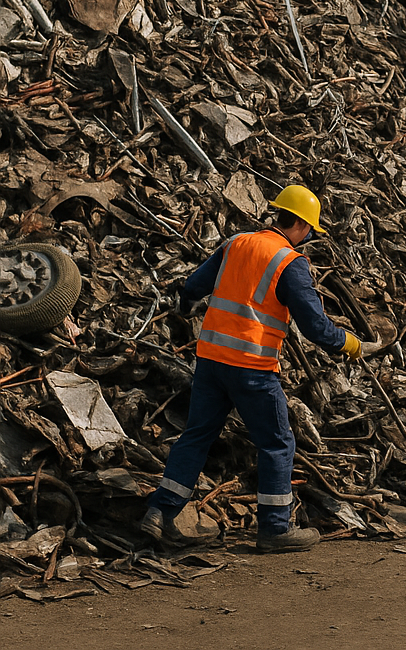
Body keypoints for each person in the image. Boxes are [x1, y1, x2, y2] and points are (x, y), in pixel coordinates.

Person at [140, 184, 375, 553]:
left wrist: (186, 307)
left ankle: (159, 512)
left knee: (196, 436)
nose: (309, 238)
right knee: (277, 443)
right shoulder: (289, 261)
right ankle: (275, 530)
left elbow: (192, 286)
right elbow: (314, 326)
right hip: (252, 368)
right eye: (309, 230)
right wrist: (350, 344)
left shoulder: (237, 243)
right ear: (298, 223)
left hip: (211, 361)